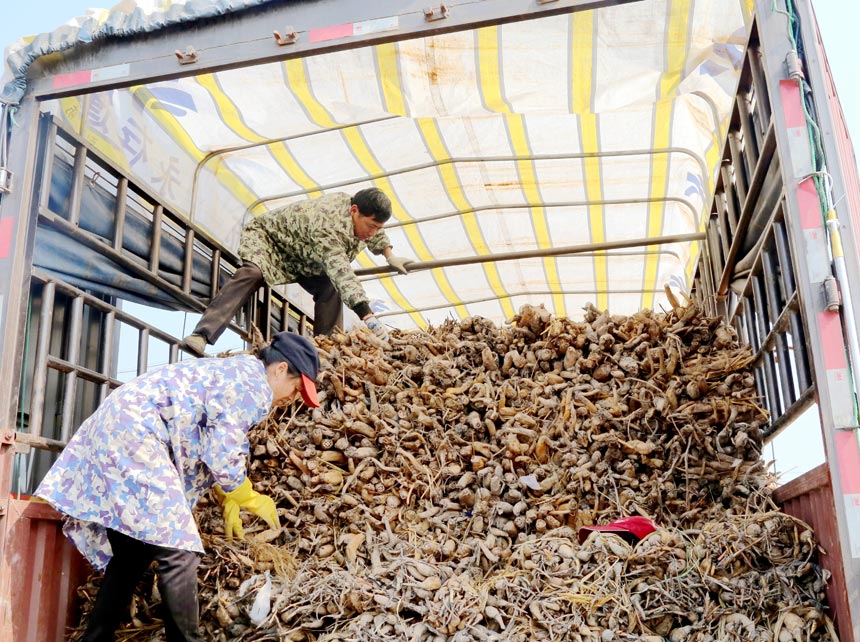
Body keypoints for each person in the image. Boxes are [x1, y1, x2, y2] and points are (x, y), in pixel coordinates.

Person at [35, 331, 321, 642]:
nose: (292, 397)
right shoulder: (252, 385)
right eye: (296, 387)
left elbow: (206, 438)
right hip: (137, 434)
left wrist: (228, 496)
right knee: (180, 548)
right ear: (280, 369)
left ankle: (95, 638)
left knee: (133, 553)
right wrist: (248, 496)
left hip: (120, 428)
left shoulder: (237, 372)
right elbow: (222, 454)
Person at [182, 188, 412, 356]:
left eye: (378, 227)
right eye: (370, 226)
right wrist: (368, 316)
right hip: (271, 242)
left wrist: (389, 255)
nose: (372, 232)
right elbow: (342, 271)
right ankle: (202, 334)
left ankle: (324, 351)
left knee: (330, 288)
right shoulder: (327, 225)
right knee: (252, 274)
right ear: (354, 211)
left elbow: (376, 234)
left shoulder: (361, 214)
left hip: (306, 258)